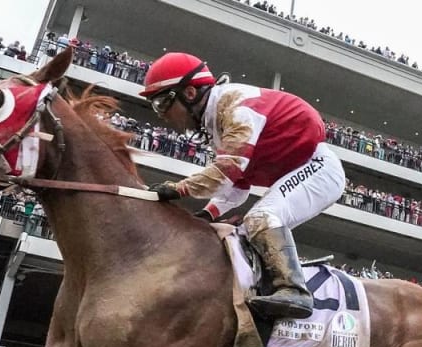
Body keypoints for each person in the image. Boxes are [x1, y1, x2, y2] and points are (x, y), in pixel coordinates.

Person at [140, 52, 346, 320]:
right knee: (244, 233)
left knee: (261, 218)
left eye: (162, 103)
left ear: (189, 93)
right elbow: (238, 186)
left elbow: (226, 172)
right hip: (304, 168)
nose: (163, 115)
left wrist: (179, 188)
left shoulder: (236, 108)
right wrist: (208, 214)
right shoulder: (216, 119)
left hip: (318, 168)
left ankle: (295, 291)